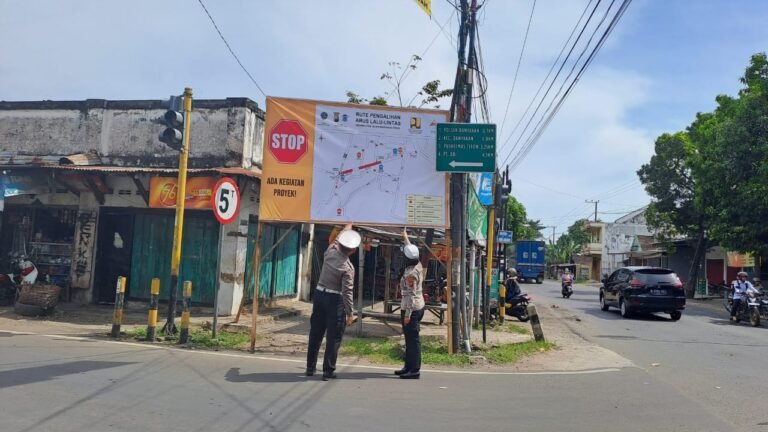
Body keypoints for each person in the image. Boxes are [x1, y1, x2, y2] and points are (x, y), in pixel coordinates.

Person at [306, 223, 360, 381]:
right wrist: (350, 313)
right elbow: (347, 293)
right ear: (353, 251)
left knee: (315, 333)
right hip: (334, 300)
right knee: (334, 336)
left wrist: (347, 227)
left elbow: (336, 240)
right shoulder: (347, 268)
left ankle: (310, 367)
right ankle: (328, 370)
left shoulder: (329, 252)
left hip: (319, 295)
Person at [395, 228, 425, 380]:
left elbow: (412, 295)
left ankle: (414, 370)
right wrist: (405, 237)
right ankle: (408, 366)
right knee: (409, 339)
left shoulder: (411, 273)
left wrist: (407, 315)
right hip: (415, 306)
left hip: (411, 308)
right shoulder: (417, 262)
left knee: (412, 340)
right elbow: (411, 249)